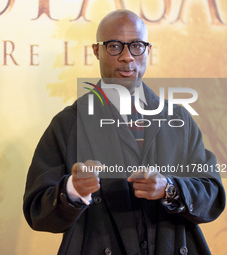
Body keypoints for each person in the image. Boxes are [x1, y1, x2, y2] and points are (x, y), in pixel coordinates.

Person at [23, 10, 225, 255]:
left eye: (137, 46)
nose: (127, 57)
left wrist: (169, 188)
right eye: (114, 46)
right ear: (96, 51)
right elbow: (38, 212)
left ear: (148, 51)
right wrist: (73, 190)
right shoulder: (68, 124)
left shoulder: (178, 119)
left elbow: (212, 194)